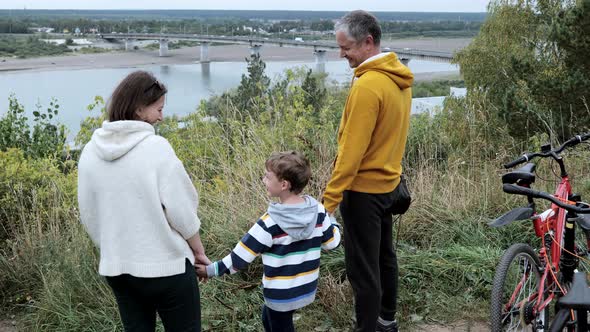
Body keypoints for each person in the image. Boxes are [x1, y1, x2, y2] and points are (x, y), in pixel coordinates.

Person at [77, 70, 209, 332]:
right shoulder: (156, 147)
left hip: (119, 270)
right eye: (158, 109)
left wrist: (113, 248)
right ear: (139, 109)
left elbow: (89, 214)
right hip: (167, 269)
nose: (162, 115)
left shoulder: (90, 151)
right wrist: (198, 250)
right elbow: (181, 211)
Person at [322, 10, 414, 332]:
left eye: (346, 48)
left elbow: (351, 153)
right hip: (389, 186)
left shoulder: (368, 85)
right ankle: (387, 321)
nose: (341, 54)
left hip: (363, 193)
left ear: (368, 41)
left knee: (363, 272)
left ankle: (367, 328)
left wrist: (328, 203)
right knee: (385, 259)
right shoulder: (399, 78)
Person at [195, 151, 341, 332]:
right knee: (268, 316)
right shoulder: (319, 211)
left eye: (267, 176)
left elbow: (239, 258)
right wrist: (334, 222)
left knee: (280, 323)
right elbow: (332, 243)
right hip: (304, 288)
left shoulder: (269, 223)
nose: (263, 179)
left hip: (280, 294)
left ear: (284, 184)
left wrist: (210, 270)